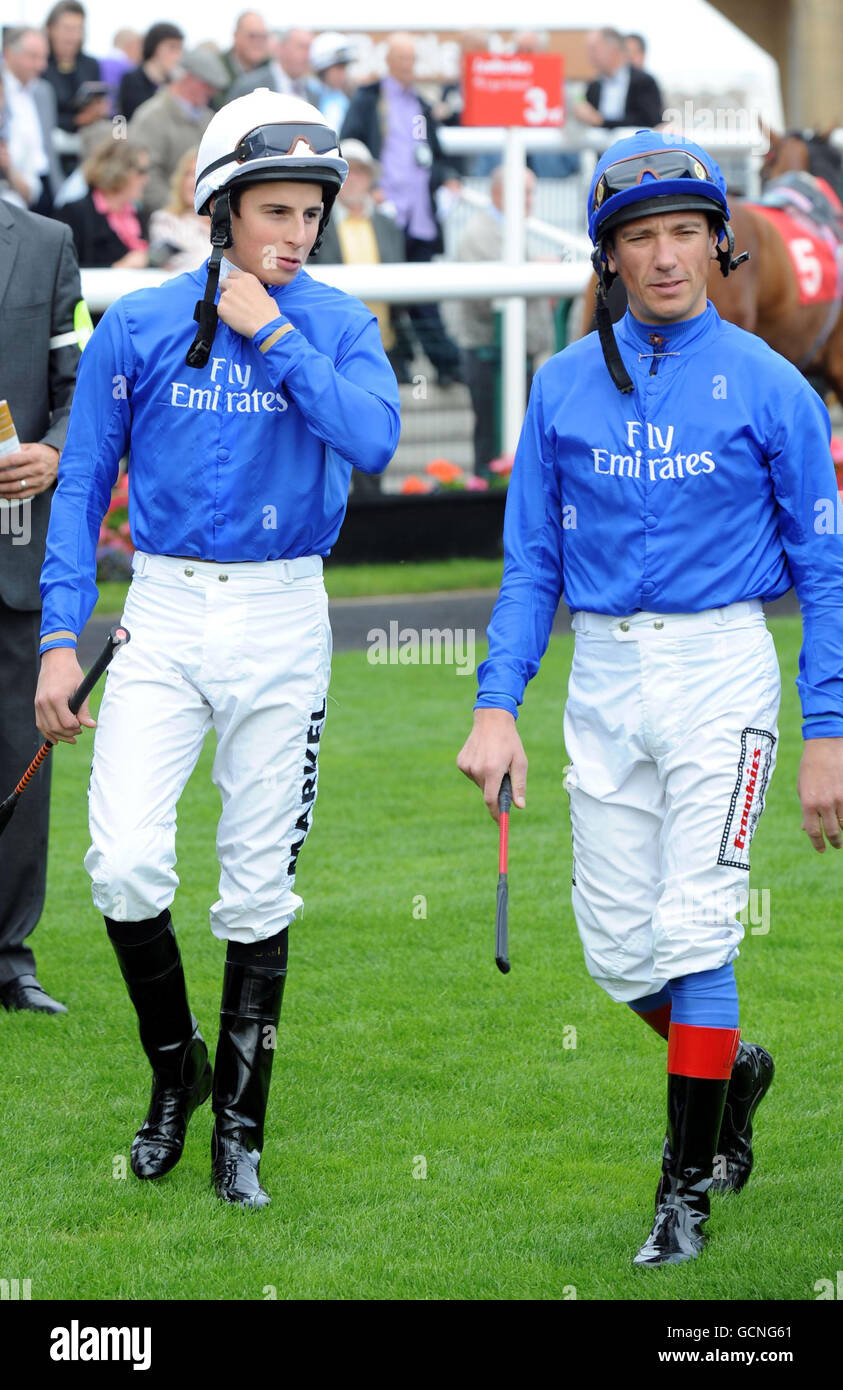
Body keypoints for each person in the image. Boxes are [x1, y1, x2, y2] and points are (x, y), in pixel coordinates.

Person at [456, 129, 843, 1267]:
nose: (666, 255)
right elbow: (532, 562)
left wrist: (828, 732)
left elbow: (825, 571)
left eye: (685, 232)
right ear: (608, 256)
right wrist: (495, 702)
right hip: (604, 677)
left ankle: (684, 1196)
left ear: (720, 244)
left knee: (695, 926)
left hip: (724, 674)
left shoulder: (775, 386)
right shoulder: (562, 383)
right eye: (640, 236)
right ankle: (735, 1066)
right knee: (622, 955)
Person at [35, 91, 400, 1209]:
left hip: (288, 617)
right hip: (163, 613)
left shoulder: (334, 323)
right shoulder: (139, 326)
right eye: (273, 212)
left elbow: (374, 438)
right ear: (219, 209)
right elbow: (83, 487)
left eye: (309, 214)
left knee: (255, 888)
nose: (294, 234)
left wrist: (272, 333)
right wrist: (60, 638)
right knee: (126, 864)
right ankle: (174, 1069)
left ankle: (239, 1130)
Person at [0, 198, 83, 1014]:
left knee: (19, 760)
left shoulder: (49, 243)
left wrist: (55, 450)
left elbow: (82, 377)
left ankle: (10, 957)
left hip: (14, 549)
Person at [341, 32, 462, 387]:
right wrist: (371, 188)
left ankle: (444, 366)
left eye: (413, 60)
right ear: (389, 62)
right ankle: (409, 365)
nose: (409, 67)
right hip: (385, 214)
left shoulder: (419, 108)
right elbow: (351, 145)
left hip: (420, 214)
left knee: (423, 295)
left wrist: (449, 179)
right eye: (403, 60)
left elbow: (433, 155)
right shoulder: (369, 100)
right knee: (390, 296)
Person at [453, 164, 554, 477]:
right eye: (524, 192)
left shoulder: (506, 230)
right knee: (492, 439)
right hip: (490, 358)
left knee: (514, 438)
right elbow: (484, 301)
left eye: (531, 192)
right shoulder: (479, 234)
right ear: (500, 193)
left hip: (513, 356)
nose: (530, 200)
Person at [128, 48, 229, 217]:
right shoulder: (151, 118)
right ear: (188, 78)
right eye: (207, 85)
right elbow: (144, 174)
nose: (212, 93)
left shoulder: (209, 119)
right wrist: (178, 211)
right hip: (164, 219)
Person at [55, 137, 150, 270]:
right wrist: (117, 268)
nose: (146, 179)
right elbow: (64, 269)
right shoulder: (75, 213)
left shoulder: (138, 215)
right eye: (141, 172)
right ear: (119, 170)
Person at [1, 27, 63, 213]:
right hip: (10, 186)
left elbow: (49, 144)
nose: (41, 65)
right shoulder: (3, 90)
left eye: (44, 57)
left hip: (43, 180)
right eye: (33, 57)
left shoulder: (44, 91)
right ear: (9, 53)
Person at [42, 1, 100, 180]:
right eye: (68, 28)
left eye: (78, 29)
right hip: (51, 146)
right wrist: (76, 120)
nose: (73, 36)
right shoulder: (40, 64)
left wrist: (98, 110)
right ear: (51, 29)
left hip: (87, 145)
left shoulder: (90, 64)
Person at [574, 27, 663, 131]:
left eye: (594, 49)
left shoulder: (644, 82)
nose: (590, 56)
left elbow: (651, 122)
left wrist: (601, 121)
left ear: (612, 49)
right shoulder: (593, 86)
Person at [148, 147, 210, 272]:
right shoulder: (166, 220)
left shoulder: (229, 223)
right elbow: (171, 264)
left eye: (198, 174)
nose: (192, 182)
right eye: (188, 174)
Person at [227, 28, 320, 105]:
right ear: (281, 48)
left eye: (310, 49)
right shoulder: (250, 87)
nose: (308, 55)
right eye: (302, 47)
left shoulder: (313, 93)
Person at [117, 22, 184, 122]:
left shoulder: (177, 81)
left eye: (180, 49)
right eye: (172, 48)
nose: (177, 55)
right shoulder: (131, 80)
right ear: (155, 47)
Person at [213, 11, 270, 108]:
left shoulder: (271, 69)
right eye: (252, 36)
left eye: (263, 37)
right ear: (236, 36)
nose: (258, 42)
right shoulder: (216, 67)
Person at [310, 32, 355, 135]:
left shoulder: (345, 98)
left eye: (344, 68)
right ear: (322, 68)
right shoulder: (306, 96)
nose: (342, 74)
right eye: (338, 68)